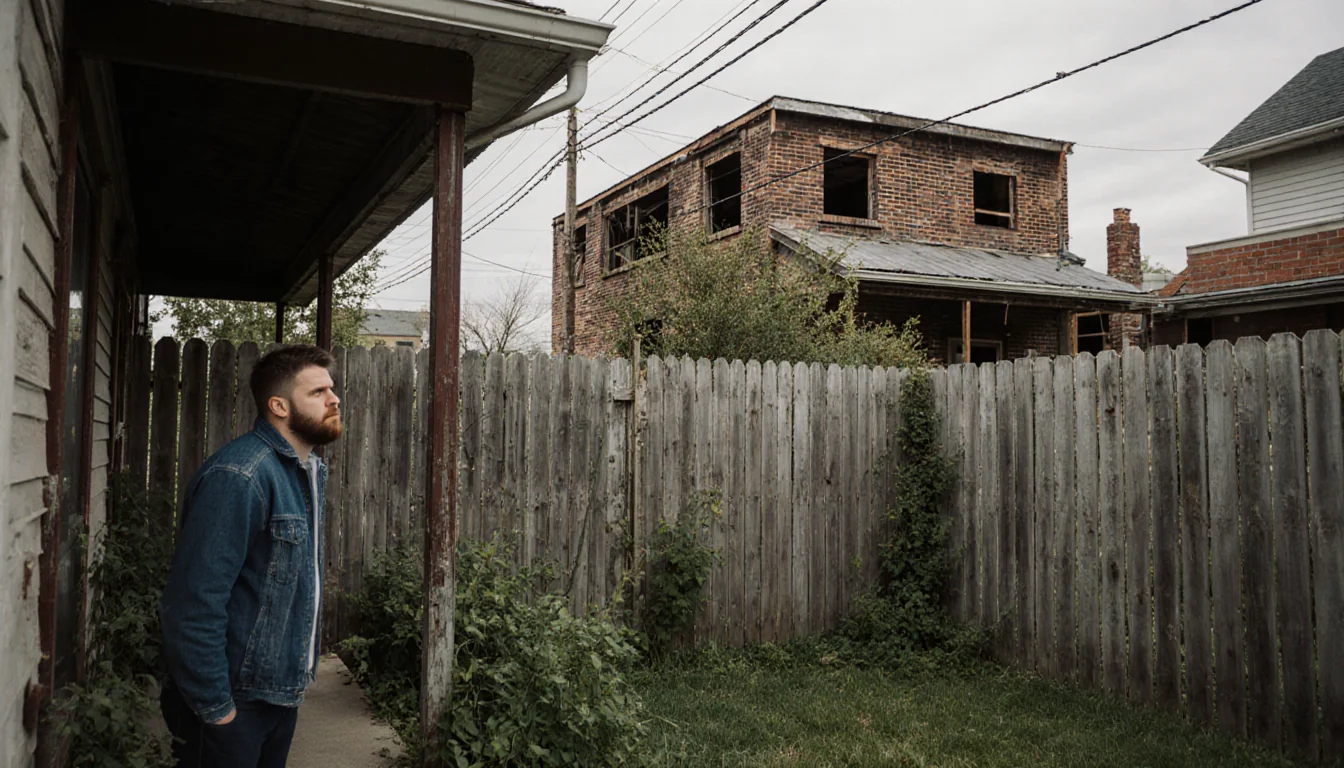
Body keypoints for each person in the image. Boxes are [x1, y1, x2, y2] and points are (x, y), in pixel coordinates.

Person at [159, 345, 342, 768]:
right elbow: (191, 604)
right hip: (233, 702)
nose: (334, 399)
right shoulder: (240, 476)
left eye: (331, 389)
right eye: (318, 392)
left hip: (277, 693)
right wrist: (217, 709)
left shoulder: (306, 470)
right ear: (279, 405)